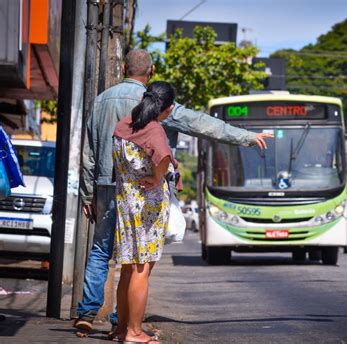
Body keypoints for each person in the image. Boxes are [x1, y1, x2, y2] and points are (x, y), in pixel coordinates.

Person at [75, 49, 272, 333]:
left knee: (100, 250)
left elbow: (88, 152)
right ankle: (125, 323)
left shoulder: (101, 101)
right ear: (151, 71)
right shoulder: (156, 105)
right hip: (141, 191)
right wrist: (248, 137)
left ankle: (87, 313)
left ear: (122, 69)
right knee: (137, 260)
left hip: (106, 185)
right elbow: (203, 125)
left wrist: (87, 194)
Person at [112, 81, 176, 343]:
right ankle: (134, 332)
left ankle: (121, 327)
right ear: (167, 108)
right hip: (146, 205)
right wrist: (157, 178)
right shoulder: (155, 130)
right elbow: (162, 158)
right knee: (141, 269)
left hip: (125, 200)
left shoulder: (125, 124)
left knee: (128, 268)